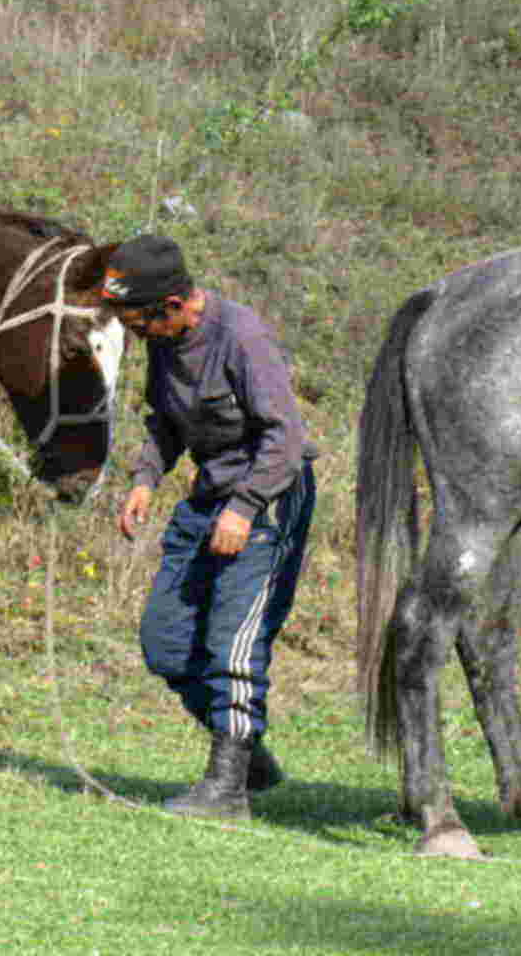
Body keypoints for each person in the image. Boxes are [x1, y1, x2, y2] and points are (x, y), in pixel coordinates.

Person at [101, 233, 318, 820]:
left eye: (138, 323)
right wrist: (146, 476)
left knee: (234, 645)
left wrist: (244, 508)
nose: (134, 334)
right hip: (207, 496)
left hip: (269, 497)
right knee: (165, 642)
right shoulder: (164, 343)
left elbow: (285, 437)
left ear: (174, 305)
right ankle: (247, 754)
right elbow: (164, 422)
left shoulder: (241, 337)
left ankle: (227, 789)